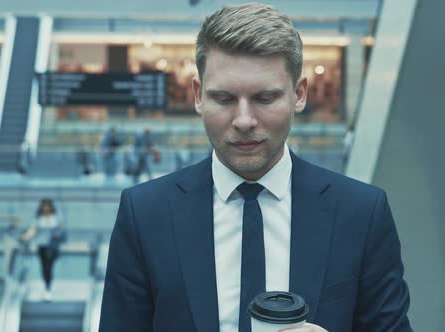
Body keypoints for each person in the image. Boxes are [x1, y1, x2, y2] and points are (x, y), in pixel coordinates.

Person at [99, 3, 411, 332]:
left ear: (299, 94)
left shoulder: (361, 213)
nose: (244, 121)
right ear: (198, 95)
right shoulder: (145, 214)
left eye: (264, 98)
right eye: (224, 99)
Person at [20, 198, 65, 298]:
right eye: (44, 206)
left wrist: (56, 234)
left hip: (52, 246)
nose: (46, 208)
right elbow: (33, 231)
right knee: (44, 267)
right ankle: (46, 285)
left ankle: (48, 287)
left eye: (47, 206)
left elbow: (60, 231)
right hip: (42, 246)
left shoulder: (56, 218)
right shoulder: (39, 219)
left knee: (49, 266)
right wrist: (24, 237)